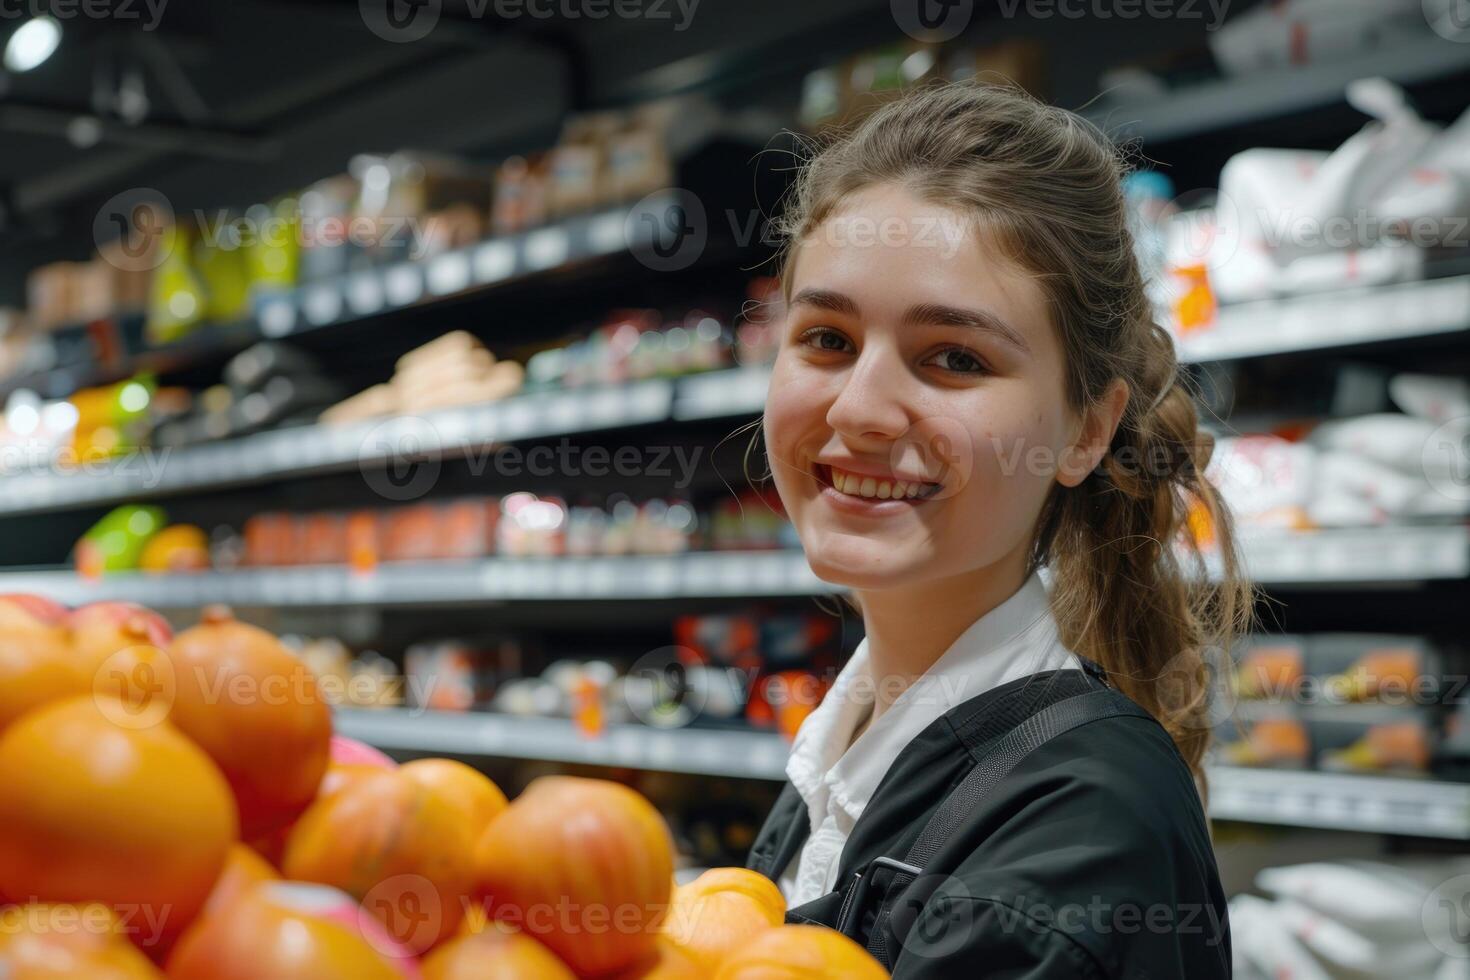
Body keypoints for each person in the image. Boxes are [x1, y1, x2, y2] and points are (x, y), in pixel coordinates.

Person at [744, 80, 1254, 978]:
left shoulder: (1079, 833)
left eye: (954, 357)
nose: (861, 407)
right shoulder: (841, 752)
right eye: (826, 338)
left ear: (1086, 430)